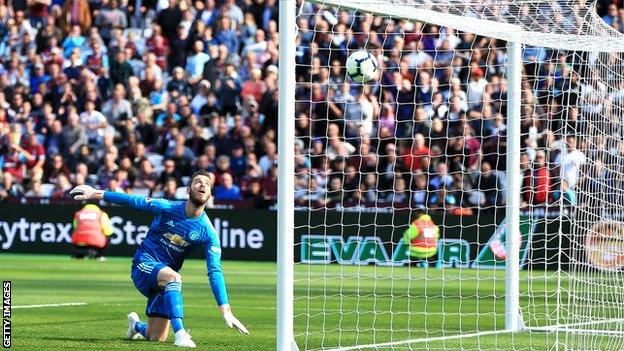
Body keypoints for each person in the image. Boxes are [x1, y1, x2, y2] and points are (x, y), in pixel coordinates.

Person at [69, 170, 248, 348]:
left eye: (207, 184)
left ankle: (136, 326)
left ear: (210, 194)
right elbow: (132, 201)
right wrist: (96, 193)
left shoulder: (208, 232)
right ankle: (181, 334)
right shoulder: (167, 207)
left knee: (156, 337)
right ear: (188, 190)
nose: (202, 185)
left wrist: (225, 310)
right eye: (198, 182)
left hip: (164, 283)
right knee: (174, 277)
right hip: (143, 265)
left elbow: (215, 270)